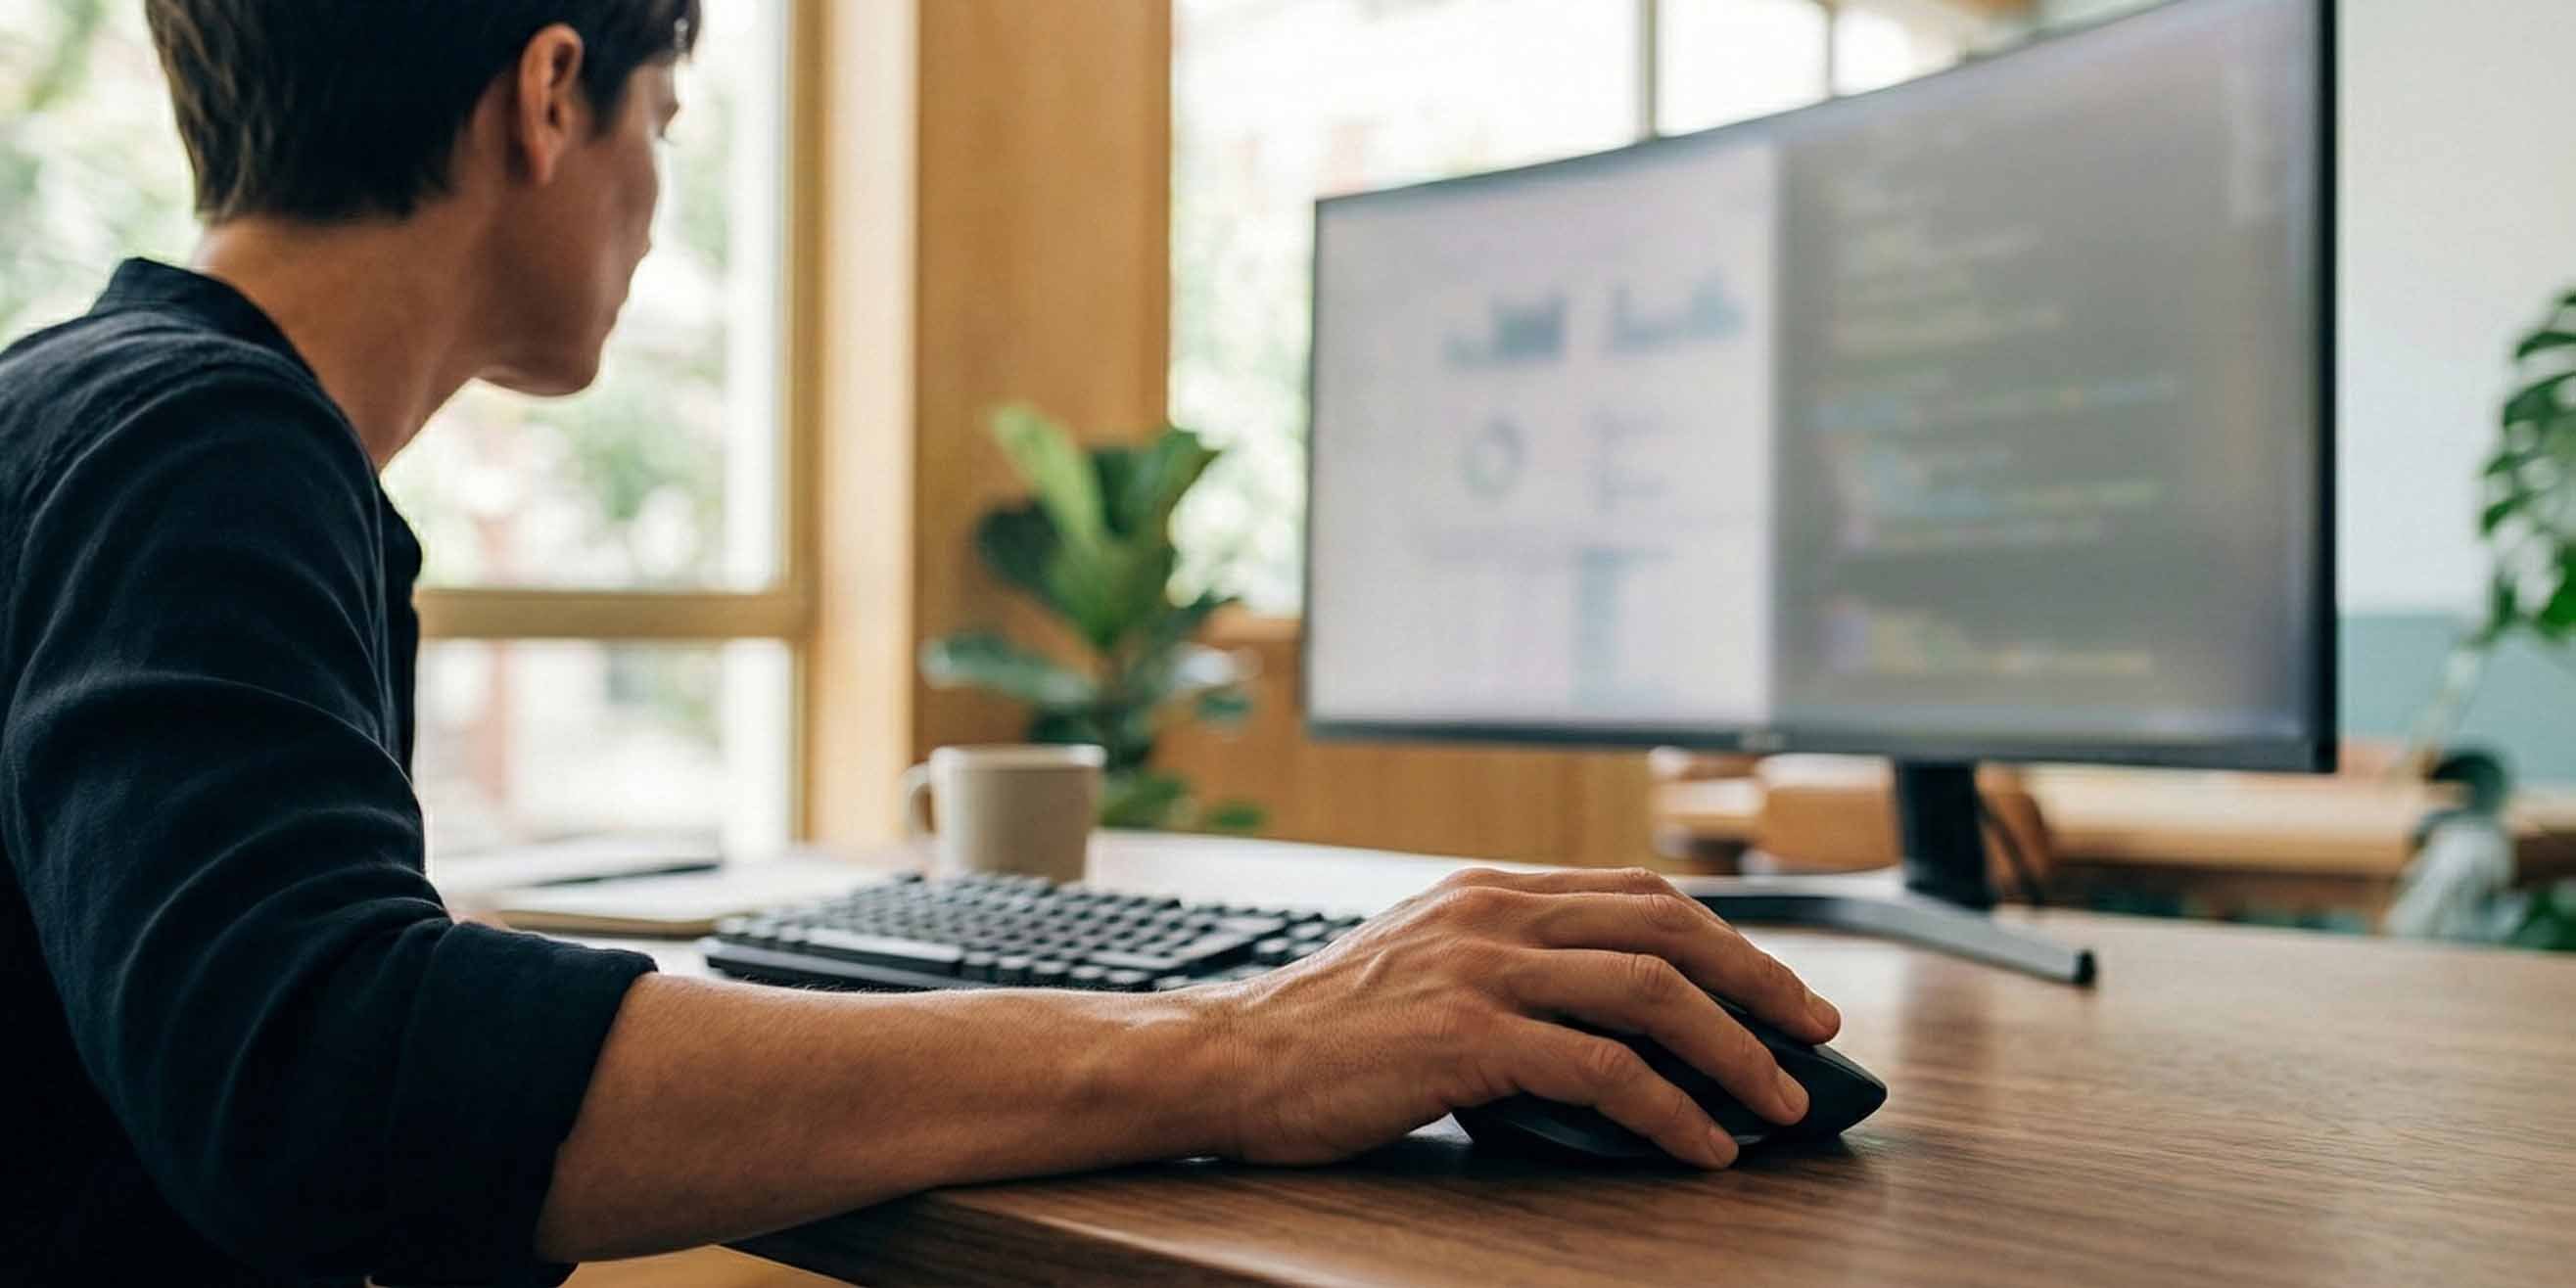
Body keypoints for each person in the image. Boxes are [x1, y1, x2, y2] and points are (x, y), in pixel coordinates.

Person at [0, 3, 1845, 1284]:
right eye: (666, 122)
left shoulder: (102, 411)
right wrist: (1239, 1050)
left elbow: (236, 1002)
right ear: (551, 96)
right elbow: (314, 1078)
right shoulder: (198, 440)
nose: (652, 197)